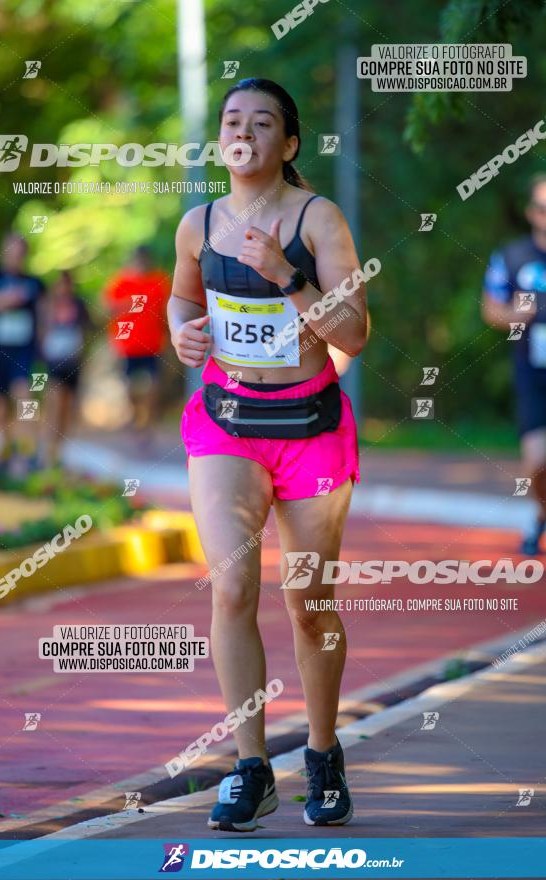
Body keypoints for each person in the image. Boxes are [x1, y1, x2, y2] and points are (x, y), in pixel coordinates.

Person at [168, 78, 368, 832]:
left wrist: (287, 276)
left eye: (261, 122)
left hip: (309, 424)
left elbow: (353, 332)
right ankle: (250, 768)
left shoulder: (316, 217)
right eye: (231, 120)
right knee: (231, 589)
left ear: (287, 144)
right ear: (220, 138)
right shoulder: (198, 222)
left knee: (308, 604)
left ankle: (320, 755)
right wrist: (181, 331)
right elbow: (183, 301)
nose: (242, 130)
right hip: (226, 420)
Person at [482, 173, 546, 572]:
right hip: (534, 376)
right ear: (530, 214)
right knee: (537, 461)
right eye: (544, 207)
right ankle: (541, 516)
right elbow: (491, 310)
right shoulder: (513, 257)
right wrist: (516, 314)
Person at [0, 233, 45, 476]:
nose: (16, 257)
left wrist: (43, 348)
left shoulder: (34, 283)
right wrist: (5, 301)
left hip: (23, 351)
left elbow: (42, 317)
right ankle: (4, 451)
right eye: (12, 251)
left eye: (21, 253)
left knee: (25, 396)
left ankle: (26, 452)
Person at [103, 245, 170, 447]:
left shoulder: (159, 280)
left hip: (153, 344)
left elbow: (167, 310)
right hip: (128, 345)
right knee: (130, 388)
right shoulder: (121, 281)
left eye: (145, 259)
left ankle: (146, 426)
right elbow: (107, 308)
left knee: (154, 386)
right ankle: (134, 418)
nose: (142, 263)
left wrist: (171, 335)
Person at [40, 270, 91, 467]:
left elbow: (86, 331)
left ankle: (60, 450)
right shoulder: (49, 305)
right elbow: (42, 331)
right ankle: (48, 450)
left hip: (73, 362)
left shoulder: (79, 305)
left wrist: (83, 356)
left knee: (68, 407)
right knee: (55, 402)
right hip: (53, 362)